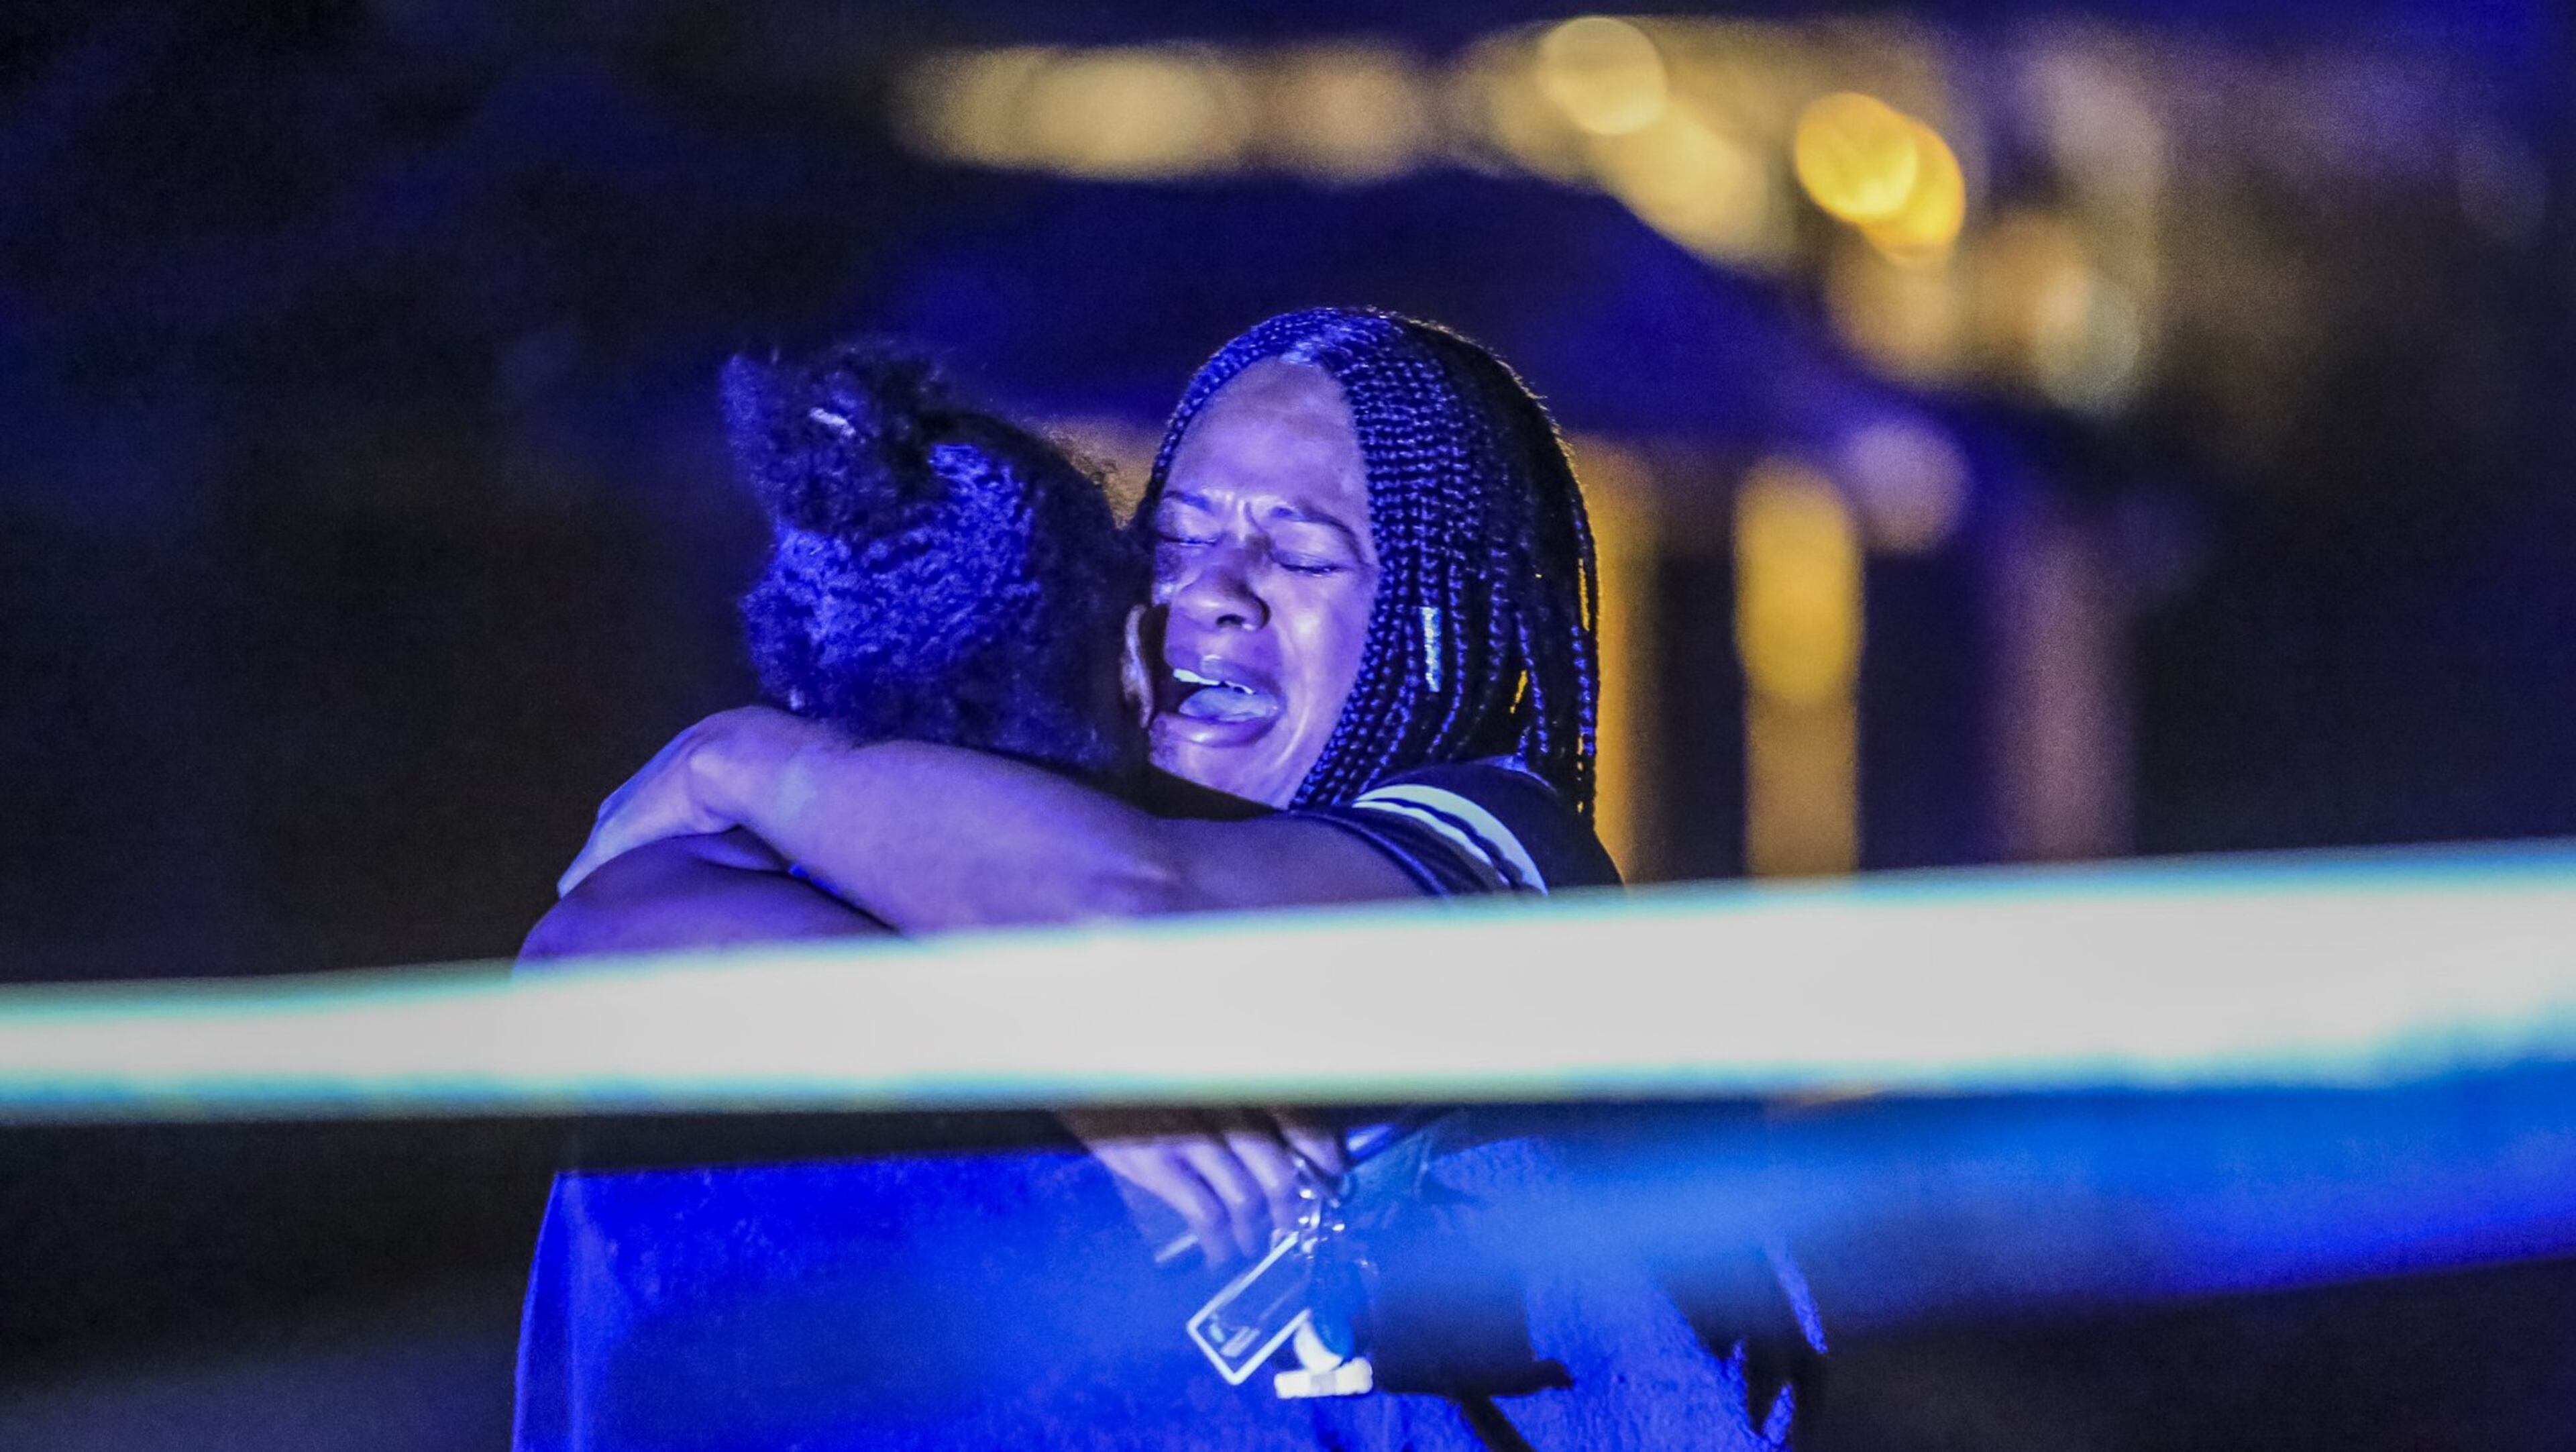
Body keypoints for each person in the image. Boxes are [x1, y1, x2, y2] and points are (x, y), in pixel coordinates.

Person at [521, 307, 1817, 1449]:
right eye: (1178, 538)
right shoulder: (996, 862)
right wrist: (1016, 1041)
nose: (1215, 593)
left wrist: (750, 760)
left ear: (1435, 626)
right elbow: (589, 959)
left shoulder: (1502, 860)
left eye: (1301, 555)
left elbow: (1131, 918)